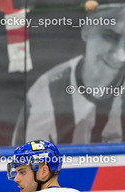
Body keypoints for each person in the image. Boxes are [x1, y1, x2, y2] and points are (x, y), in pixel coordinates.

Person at [13, 4, 125, 145]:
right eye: (109, 36)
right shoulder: (46, 94)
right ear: (87, 31)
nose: (120, 55)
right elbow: (27, 158)